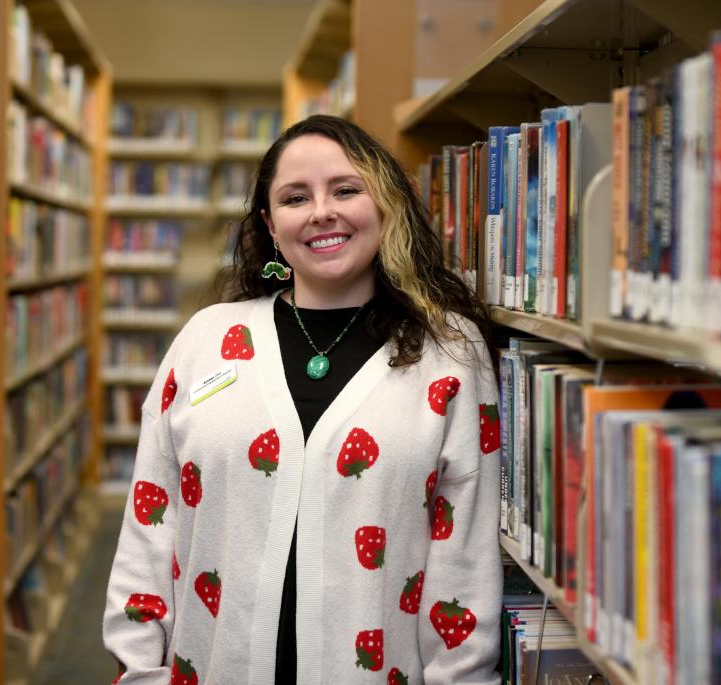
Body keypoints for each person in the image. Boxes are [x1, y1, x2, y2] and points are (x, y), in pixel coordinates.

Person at [103, 114, 503, 685]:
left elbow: (462, 556)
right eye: (296, 197)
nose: (322, 212)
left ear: (386, 203)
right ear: (269, 224)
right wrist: (139, 669)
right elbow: (151, 524)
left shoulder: (450, 352)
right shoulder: (206, 339)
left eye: (346, 189)